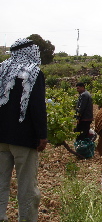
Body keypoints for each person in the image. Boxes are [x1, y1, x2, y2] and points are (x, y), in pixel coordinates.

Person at [0, 38, 47, 222]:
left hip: (1, 138)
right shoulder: (33, 73)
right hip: (24, 139)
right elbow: (37, 107)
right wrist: (42, 135)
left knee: (1, 182)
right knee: (26, 187)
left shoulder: (1, 70)